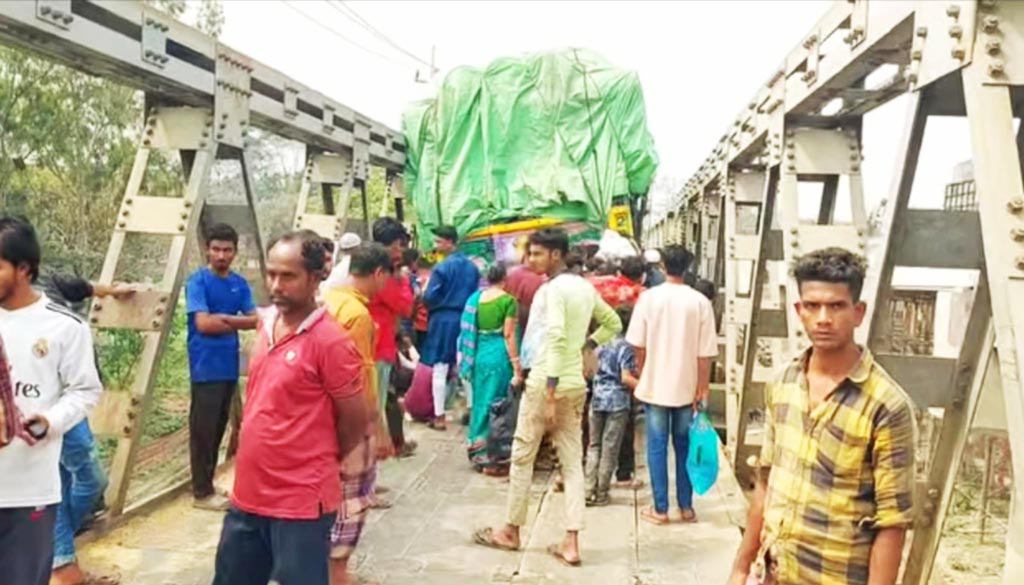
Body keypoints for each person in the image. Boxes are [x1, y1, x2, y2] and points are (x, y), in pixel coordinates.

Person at [728, 248, 916, 585]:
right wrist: (741, 567)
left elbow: (892, 522)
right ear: (799, 310)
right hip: (773, 573)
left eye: (836, 306)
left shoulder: (886, 406)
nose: (823, 318)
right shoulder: (783, 383)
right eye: (812, 306)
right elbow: (767, 482)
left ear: (858, 313)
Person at [212, 231, 370, 585]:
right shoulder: (266, 323)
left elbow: (355, 422)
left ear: (316, 277)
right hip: (249, 494)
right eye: (271, 274)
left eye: (288, 276)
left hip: (300, 503)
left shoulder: (330, 342)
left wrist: (313, 458)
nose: (276, 285)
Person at [472, 227, 621, 567]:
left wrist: (550, 391)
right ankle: (571, 541)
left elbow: (553, 338)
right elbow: (611, 321)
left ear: (556, 254)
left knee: (523, 456)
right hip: (576, 386)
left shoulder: (553, 290)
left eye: (537, 253)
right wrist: (588, 346)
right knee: (571, 464)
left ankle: (511, 530)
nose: (531, 259)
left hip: (546, 383)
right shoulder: (583, 287)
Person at [0, 216, 102, 585]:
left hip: (28, 488)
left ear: (24, 269)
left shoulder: (64, 327)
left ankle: (61, 559)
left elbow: (86, 390)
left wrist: (49, 421)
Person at [42, 274, 135, 585]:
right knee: (53, 489)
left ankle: (56, 557)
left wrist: (115, 290)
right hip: (35, 409)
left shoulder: (45, 280)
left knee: (87, 481)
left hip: (68, 402)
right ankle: (63, 568)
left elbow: (80, 286)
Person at [626, 245, 717, 526]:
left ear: (663, 266)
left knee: (656, 447)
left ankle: (661, 509)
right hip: (687, 386)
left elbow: (637, 344)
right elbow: (705, 353)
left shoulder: (649, 298)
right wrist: (702, 387)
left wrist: (644, 372)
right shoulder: (700, 302)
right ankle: (687, 507)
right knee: (684, 446)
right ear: (688, 266)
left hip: (656, 385)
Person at [322, 244, 393, 585]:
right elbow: (361, 377)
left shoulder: (328, 300)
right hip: (349, 422)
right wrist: (376, 427)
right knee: (352, 501)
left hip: (321, 417)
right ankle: (337, 575)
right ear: (379, 273)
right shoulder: (358, 315)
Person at [185, 223, 257, 511]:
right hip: (205, 366)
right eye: (216, 249)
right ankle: (201, 492)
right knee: (203, 429)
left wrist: (223, 320)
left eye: (227, 250)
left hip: (228, 365)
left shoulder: (239, 283)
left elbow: (256, 319)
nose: (221, 255)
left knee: (216, 428)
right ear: (207, 250)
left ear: (235, 252)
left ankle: (208, 485)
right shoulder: (198, 282)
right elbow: (203, 324)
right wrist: (234, 321)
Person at [458, 263, 522, 475]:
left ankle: (476, 447)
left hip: (479, 355)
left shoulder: (475, 299)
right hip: (498, 355)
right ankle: (492, 454)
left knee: (480, 401)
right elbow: (509, 334)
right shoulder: (508, 301)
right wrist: (517, 366)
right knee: (497, 405)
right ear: (505, 279)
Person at [422, 225, 481, 431]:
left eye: (439, 241)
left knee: (440, 367)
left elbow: (429, 297)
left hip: (442, 318)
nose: (436, 245)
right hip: (466, 317)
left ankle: (439, 416)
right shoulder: (472, 268)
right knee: (465, 364)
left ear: (449, 242)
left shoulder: (441, 268)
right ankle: (473, 411)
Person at [369, 217, 416, 459]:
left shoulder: (370, 266)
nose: (401, 251)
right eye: (399, 245)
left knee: (383, 400)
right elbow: (405, 306)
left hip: (379, 343)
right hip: (376, 348)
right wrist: (403, 281)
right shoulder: (383, 274)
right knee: (373, 411)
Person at [584, 306, 638, 507]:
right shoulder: (626, 347)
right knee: (610, 448)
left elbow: (589, 372)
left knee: (594, 445)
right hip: (617, 402)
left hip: (597, 399)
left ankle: (588, 489)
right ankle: (601, 493)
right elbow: (626, 377)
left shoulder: (599, 345)